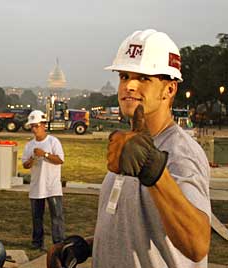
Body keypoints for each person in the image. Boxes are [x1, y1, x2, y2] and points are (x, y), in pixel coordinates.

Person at [47, 29, 211, 268]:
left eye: (144, 78)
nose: (130, 86)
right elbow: (137, 230)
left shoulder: (179, 152)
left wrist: (154, 172)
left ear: (170, 89)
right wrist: (88, 246)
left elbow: (197, 246)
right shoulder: (127, 145)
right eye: (124, 76)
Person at [22, 110, 65, 251]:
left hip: (52, 186)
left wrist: (45, 154)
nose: (34, 129)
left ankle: (58, 243)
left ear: (44, 125)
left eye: (36, 126)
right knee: (37, 217)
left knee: (56, 216)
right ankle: (37, 242)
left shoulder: (53, 141)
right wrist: (31, 160)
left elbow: (59, 160)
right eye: (32, 126)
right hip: (36, 186)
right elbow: (25, 165)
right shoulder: (29, 145)